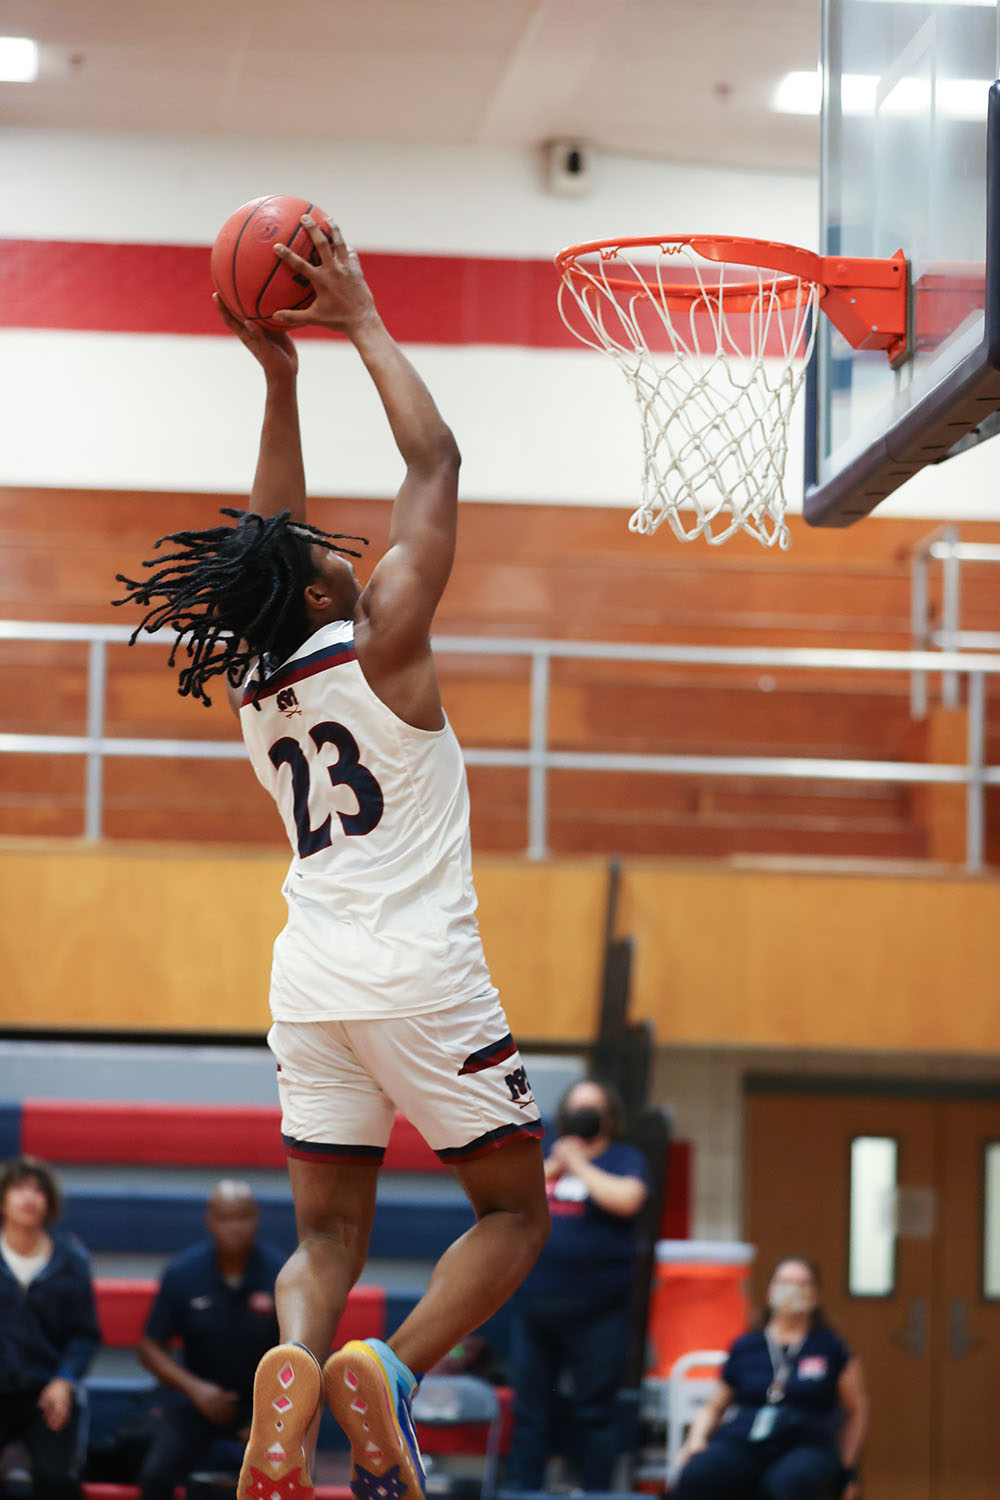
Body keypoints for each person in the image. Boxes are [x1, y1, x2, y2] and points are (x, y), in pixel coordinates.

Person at [115, 216, 549, 1500]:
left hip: (310, 982)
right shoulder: (388, 635)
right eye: (315, 552)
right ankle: (397, 1370)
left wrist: (278, 376)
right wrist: (357, 315)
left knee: (322, 1234)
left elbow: (264, 526)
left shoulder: (260, 674)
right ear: (318, 593)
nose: (326, 540)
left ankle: (294, 1381)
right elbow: (437, 458)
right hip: (419, 973)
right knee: (513, 1214)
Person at [507, 1078, 650, 1493]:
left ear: (609, 1117)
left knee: (595, 1411)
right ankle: (524, 1490)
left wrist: (581, 1164)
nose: (583, 1113)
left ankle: (596, 1491)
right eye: (577, 1106)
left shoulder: (625, 1158)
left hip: (598, 1310)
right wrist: (557, 1162)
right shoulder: (545, 1155)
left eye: (593, 1106)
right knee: (531, 1410)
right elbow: (514, 1200)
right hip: (534, 1308)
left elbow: (627, 1199)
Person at [673, 1255, 868, 1500]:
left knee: (789, 1483)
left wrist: (848, 1467)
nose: (793, 1290)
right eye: (785, 1282)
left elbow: (857, 1409)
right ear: (769, 1291)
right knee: (701, 1474)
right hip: (745, 1437)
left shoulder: (832, 1348)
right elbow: (715, 1405)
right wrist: (696, 1440)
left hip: (805, 1442)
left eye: (802, 1284)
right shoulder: (746, 1345)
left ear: (815, 1295)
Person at [137, 1181, 283, 1500]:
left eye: (242, 1217)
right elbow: (149, 1347)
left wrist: (268, 1417)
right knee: (155, 1474)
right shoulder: (183, 1272)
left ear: (256, 1219)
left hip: (265, 1408)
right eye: (225, 1218)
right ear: (210, 1220)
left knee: (281, 1480)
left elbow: (301, 1355)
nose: (234, 1227)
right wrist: (195, 1389)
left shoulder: (282, 1275)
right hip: (196, 1403)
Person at [0, 1155, 100, 1500]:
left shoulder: (71, 1259)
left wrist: (65, 1379)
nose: (29, 1197)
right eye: (18, 1188)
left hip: (47, 1393)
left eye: (38, 1191)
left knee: (57, 1481)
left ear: (50, 1203)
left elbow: (85, 1335)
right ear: (2, 1199)